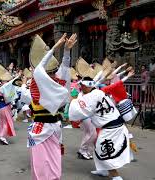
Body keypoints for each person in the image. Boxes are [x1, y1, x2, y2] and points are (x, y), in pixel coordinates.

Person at [27, 33, 77, 180]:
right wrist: (66, 50)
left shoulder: (37, 83)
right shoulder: (58, 84)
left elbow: (41, 67)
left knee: (40, 165)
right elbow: (65, 68)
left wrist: (56, 47)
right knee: (54, 163)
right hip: (54, 127)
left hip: (41, 128)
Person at [69, 76, 132, 180]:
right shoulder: (97, 92)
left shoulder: (93, 95)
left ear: (88, 87)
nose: (82, 88)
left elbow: (81, 108)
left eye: (83, 86)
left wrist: (71, 100)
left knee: (104, 150)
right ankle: (103, 170)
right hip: (111, 126)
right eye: (81, 86)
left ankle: (116, 176)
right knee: (98, 147)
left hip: (112, 127)